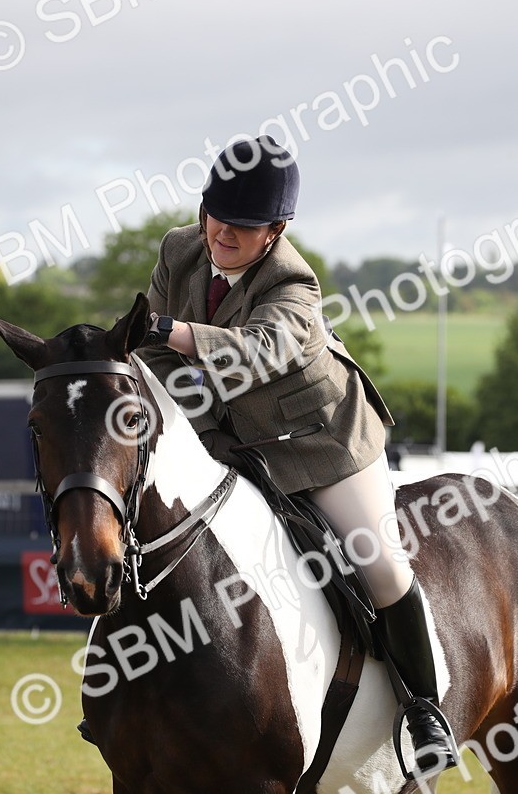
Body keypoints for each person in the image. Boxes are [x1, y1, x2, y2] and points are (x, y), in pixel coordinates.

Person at [136, 135, 457, 774]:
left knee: (381, 563)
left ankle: (424, 710)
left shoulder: (294, 284)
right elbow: (155, 355)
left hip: (322, 443)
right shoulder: (181, 250)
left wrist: (169, 331)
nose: (223, 232)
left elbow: (254, 352)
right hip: (232, 438)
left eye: (244, 224)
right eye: (216, 214)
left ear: (276, 229)